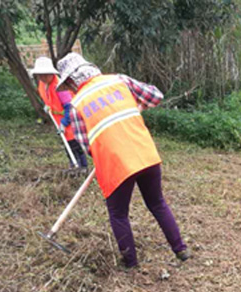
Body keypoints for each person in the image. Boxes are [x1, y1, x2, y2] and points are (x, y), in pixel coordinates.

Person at [55, 52, 191, 266]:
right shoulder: (120, 80)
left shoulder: (76, 105)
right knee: (157, 203)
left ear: (71, 80)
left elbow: (86, 144)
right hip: (144, 154)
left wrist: (105, 148)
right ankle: (180, 249)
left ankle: (130, 262)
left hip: (115, 164)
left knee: (118, 214)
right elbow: (156, 96)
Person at [30, 57, 88, 170]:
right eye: (40, 75)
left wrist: (64, 123)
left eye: (46, 74)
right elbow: (48, 98)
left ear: (52, 73)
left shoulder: (59, 87)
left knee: (74, 145)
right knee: (68, 146)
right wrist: (47, 106)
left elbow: (69, 107)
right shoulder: (43, 84)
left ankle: (82, 167)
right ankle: (74, 166)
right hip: (59, 120)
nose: (43, 77)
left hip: (70, 119)